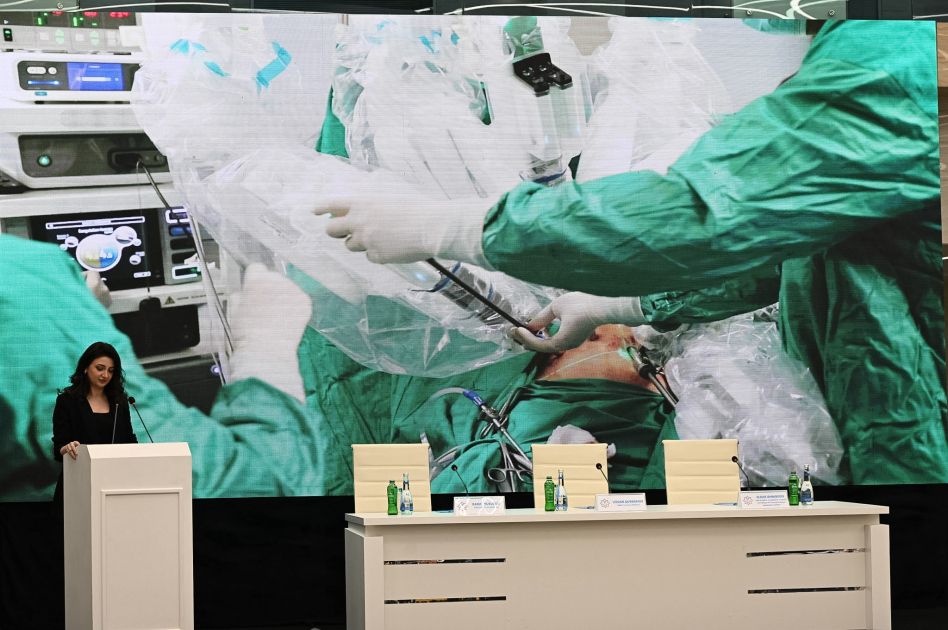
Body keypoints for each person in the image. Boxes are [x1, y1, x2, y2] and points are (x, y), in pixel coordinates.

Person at [319, 20, 948, 484]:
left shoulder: (888, 56)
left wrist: (455, 227)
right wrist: (623, 304)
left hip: (903, 401)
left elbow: (697, 214)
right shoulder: (875, 52)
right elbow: (778, 247)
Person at [51, 342, 137, 508]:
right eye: (100, 368)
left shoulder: (119, 401)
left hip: (114, 485)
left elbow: (129, 440)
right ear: (85, 367)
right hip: (78, 484)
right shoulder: (67, 401)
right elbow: (59, 447)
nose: (105, 375)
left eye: (111, 370)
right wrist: (67, 448)